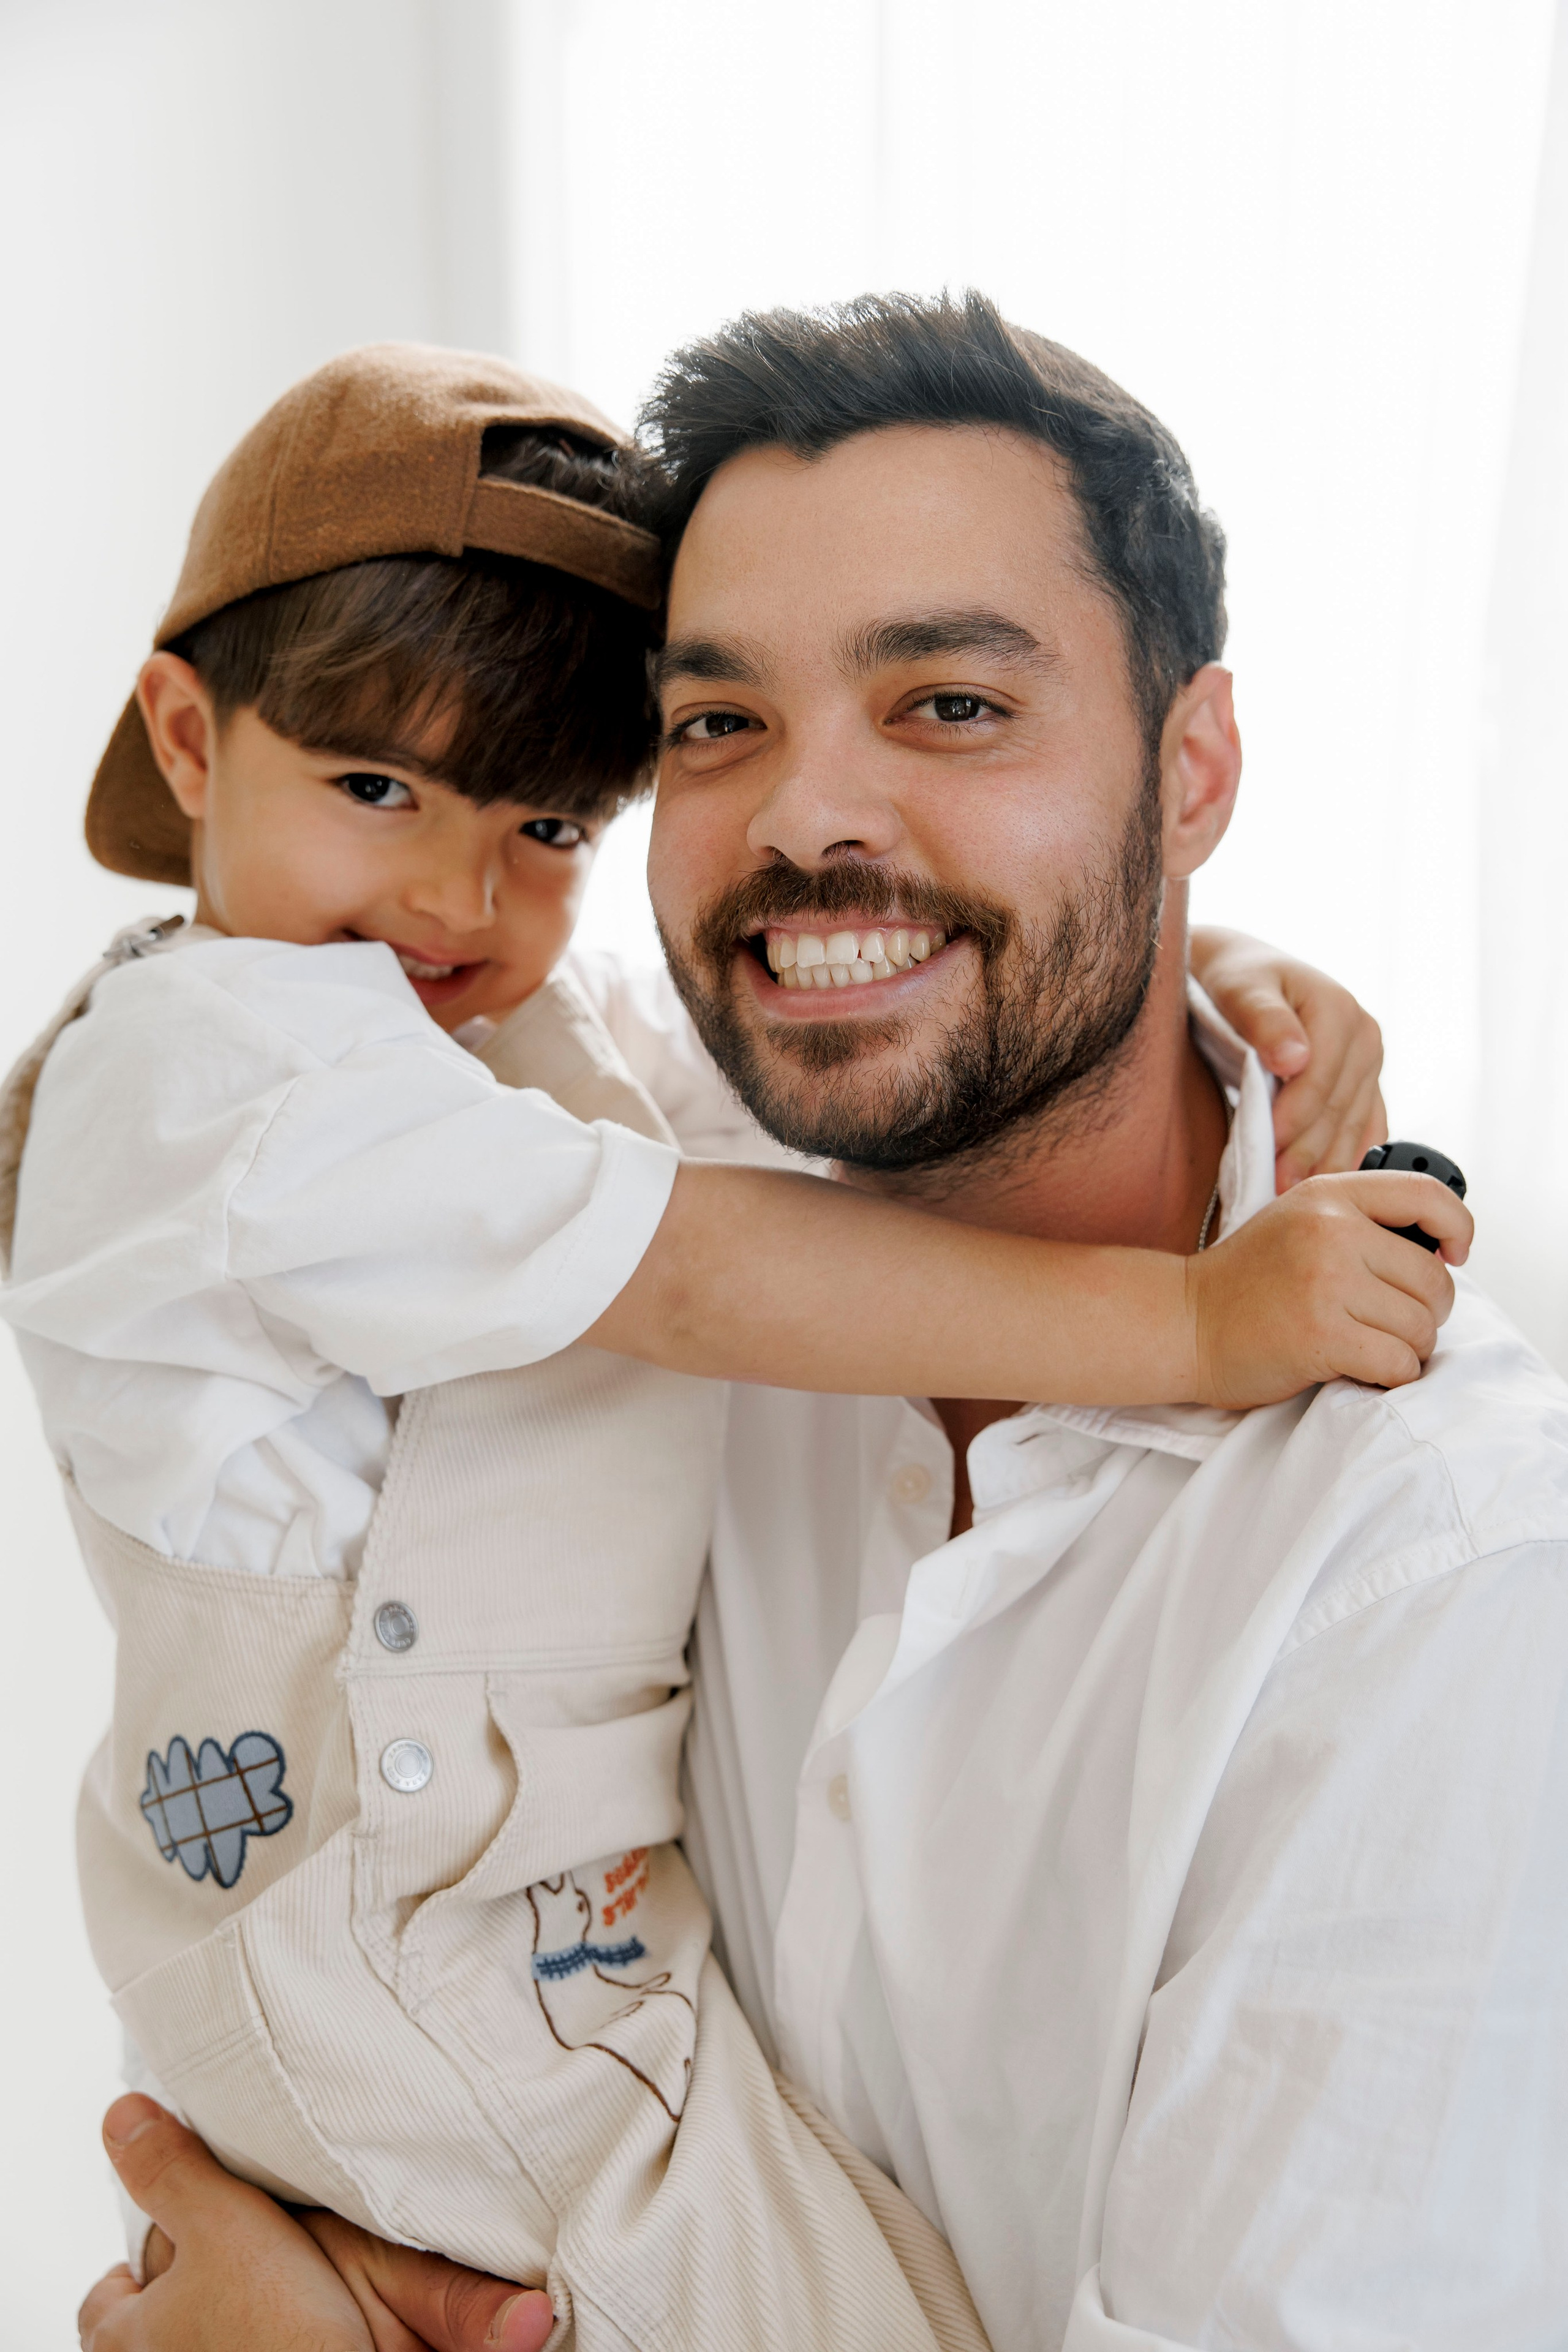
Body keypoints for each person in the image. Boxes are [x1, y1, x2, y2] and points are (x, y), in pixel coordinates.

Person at [2, 339, 1456, 2352]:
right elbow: (689, 1250)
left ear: (1190, 773)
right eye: (720, 722)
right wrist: (1199, 1318)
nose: (451, 895)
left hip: (536, 1949)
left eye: (545, 825)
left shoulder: (1442, 1579)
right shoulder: (232, 1078)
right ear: (184, 737)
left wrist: (1203, 953)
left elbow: (749, 1048)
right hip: (406, 1948)